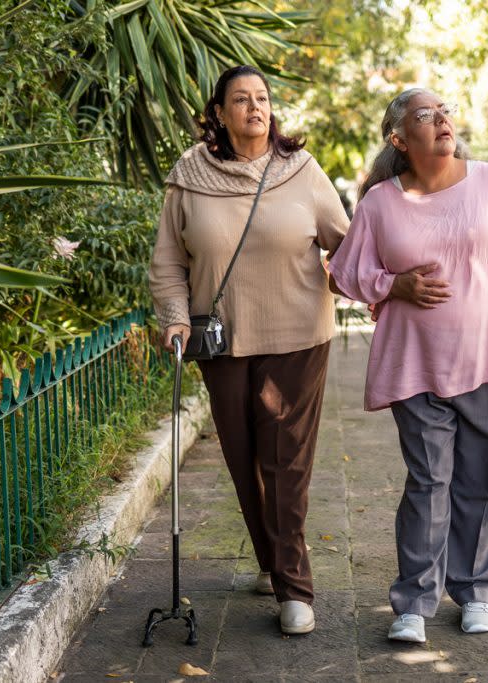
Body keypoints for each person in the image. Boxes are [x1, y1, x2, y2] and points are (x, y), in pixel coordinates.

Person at [327, 88, 488, 643]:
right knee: (428, 481)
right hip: (416, 363)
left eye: (445, 112)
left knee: (484, 484)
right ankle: (414, 601)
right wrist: (396, 285)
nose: (441, 121)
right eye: (425, 115)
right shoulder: (380, 204)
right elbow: (345, 274)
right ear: (399, 138)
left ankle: (475, 590)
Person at [148, 65, 349, 635]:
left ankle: (294, 587)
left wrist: (380, 285)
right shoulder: (189, 175)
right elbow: (168, 262)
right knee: (244, 460)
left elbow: (347, 241)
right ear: (219, 112)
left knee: (286, 461)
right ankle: (271, 561)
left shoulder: (301, 171)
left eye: (262, 98)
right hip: (223, 340)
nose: (255, 107)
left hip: (298, 336)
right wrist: (175, 320)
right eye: (241, 99)